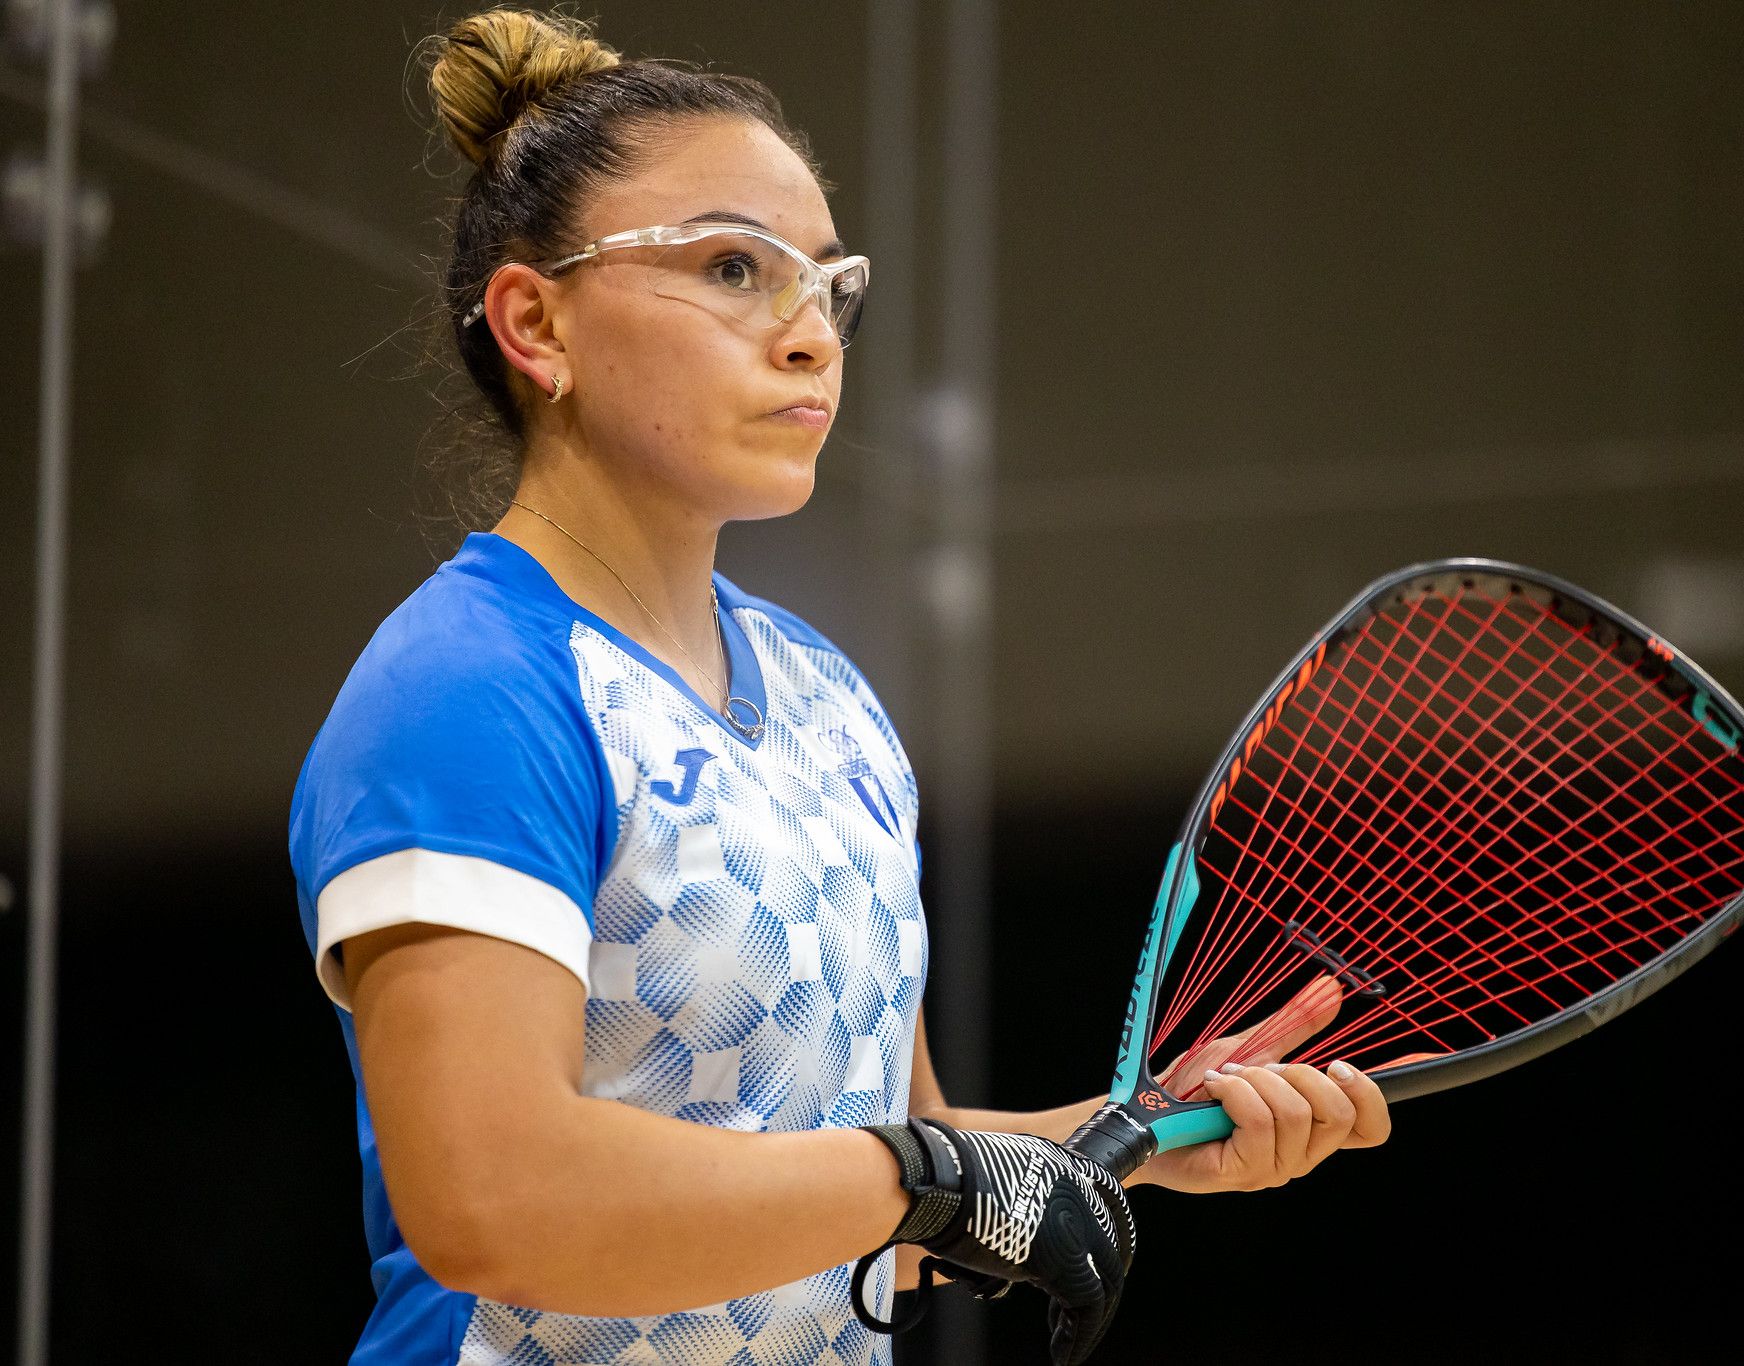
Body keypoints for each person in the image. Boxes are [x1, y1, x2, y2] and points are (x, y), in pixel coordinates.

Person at [287, 9, 1391, 1364]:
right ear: (535, 321)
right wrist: (928, 1177)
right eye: (734, 268)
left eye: (827, 285)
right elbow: (493, 1199)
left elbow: (877, 1183)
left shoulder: (829, 700)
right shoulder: (468, 687)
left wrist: (1138, 1136)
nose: (808, 334)